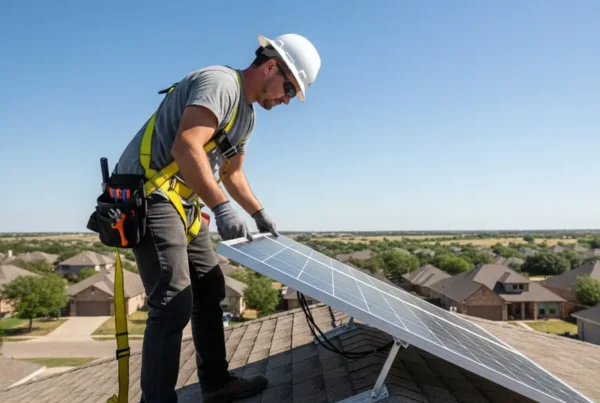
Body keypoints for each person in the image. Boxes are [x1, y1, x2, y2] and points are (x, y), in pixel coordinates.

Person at [111, 33, 321, 403]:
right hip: (151, 194)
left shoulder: (248, 117)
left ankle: (216, 383)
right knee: (173, 301)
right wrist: (222, 208)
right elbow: (186, 145)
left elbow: (232, 174)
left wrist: (258, 213)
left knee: (210, 290)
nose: (287, 99)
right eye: (289, 88)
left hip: (184, 204)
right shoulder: (221, 83)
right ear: (271, 66)